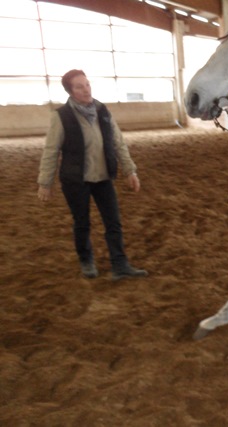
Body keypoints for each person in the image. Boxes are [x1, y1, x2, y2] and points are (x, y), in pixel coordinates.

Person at [37, 69, 148, 281]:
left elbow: (118, 142)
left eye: (87, 84)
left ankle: (120, 264)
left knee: (113, 222)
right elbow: (51, 150)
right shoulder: (61, 116)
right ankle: (86, 260)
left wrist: (130, 170)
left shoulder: (102, 111)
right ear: (70, 91)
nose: (86, 90)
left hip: (103, 177)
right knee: (82, 222)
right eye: (79, 87)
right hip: (75, 180)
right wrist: (45, 182)